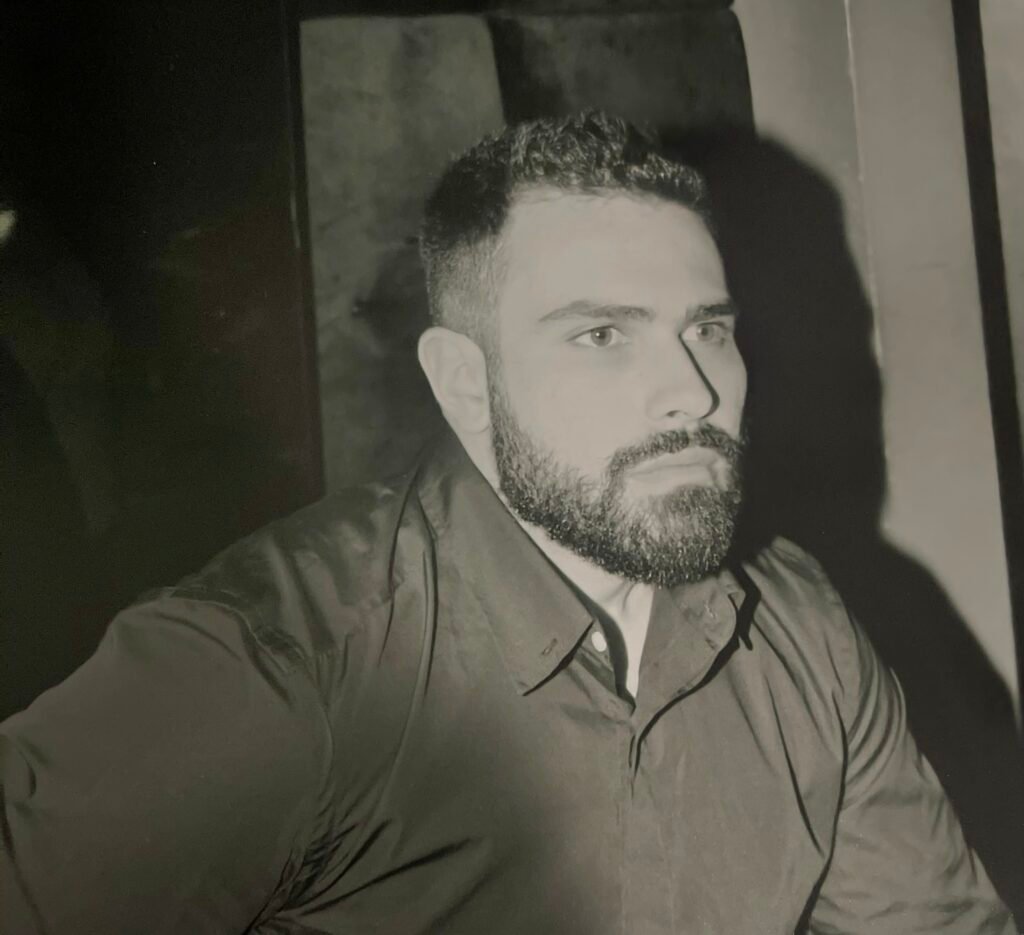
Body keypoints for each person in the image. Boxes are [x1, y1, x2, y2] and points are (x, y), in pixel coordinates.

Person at [0, 111, 1015, 934]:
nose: (693, 389)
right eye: (602, 333)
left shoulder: (800, 627)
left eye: (708, 328)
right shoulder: (283, 661)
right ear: (463, 384)